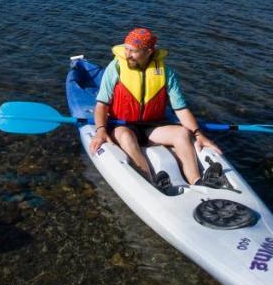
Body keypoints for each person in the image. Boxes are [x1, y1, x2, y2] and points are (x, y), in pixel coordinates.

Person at [88, 27, 225, 191]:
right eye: (126, 48)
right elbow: (101, 105)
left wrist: (198, 134)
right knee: (125, 136)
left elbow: (181, 109)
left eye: (133, 51)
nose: (127, 54)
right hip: (122, 125)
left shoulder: (167, 73)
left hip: (152, 126)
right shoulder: (115, 67)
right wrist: (101, 130)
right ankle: (151, 183)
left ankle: (197, 182)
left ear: (148, 51)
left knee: (182, 133)